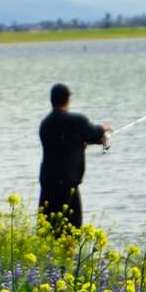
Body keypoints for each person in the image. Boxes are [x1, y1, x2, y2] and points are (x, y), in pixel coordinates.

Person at [37, 83, 110, 237]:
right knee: (73, 228)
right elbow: (93, 133)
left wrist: (82, 144)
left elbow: (64, 143)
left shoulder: (45, 124)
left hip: (48, 183)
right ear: (68, 99)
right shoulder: (76, 121)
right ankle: (67, 258)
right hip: (67, 186)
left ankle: (47, 259)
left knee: (47, 228)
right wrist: (103, 129)